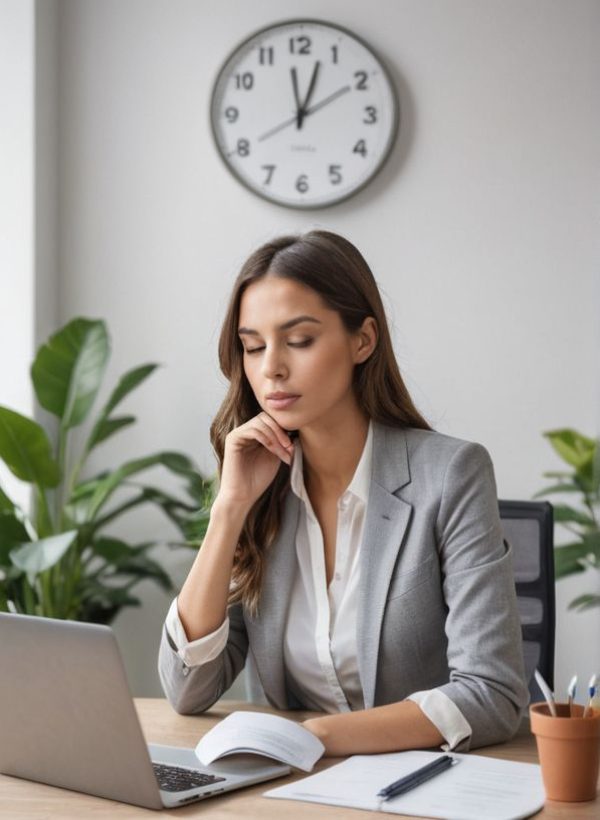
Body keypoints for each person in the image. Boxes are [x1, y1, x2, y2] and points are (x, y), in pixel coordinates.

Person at [158, 230, 528, 755]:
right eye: (253, 346)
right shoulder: (261, 484)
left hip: (411, 787)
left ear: (363, 340)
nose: (271, 369)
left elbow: (492, 693)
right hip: (288, 793)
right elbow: (187, 689)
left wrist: (315, 738)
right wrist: (230, 509)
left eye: (299, 340)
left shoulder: (451, 474)